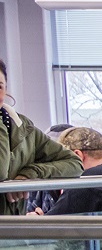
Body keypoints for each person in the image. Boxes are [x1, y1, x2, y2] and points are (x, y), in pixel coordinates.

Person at [0, 59, 84, 215]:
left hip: (12, 232)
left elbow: (75, 164)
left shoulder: (23, 127)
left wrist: (28, 174)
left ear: (6, 89)